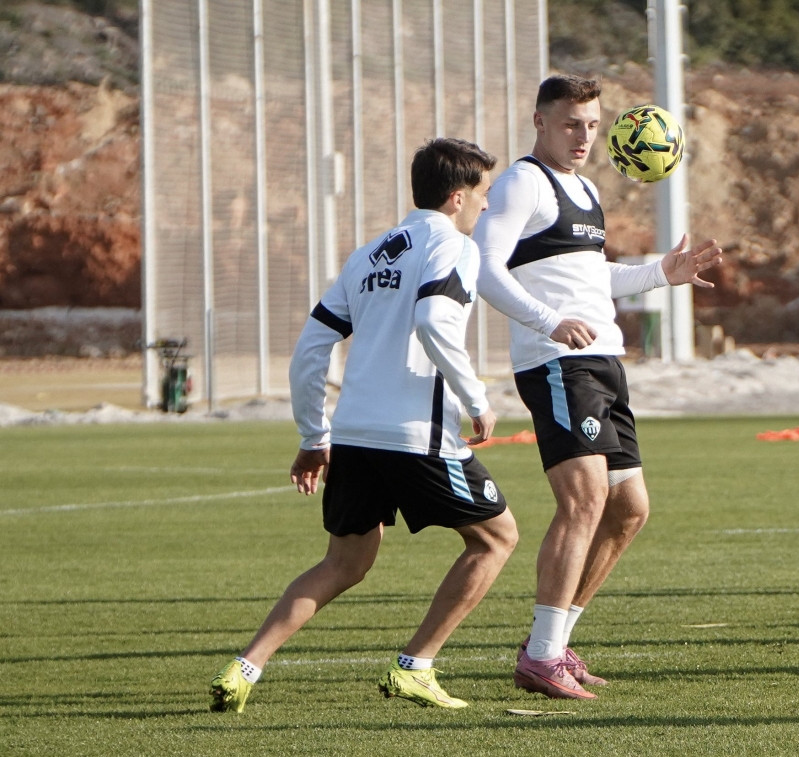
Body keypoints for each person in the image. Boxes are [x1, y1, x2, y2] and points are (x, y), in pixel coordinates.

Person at [209, 138, 517, 713]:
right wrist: (477, 398)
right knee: (497, 538)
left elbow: (309, 350)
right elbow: (433, 318)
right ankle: (416, 667)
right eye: (484, 195)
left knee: (344, 562)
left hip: (352, 434)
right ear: (456, 198)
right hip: (415, 435)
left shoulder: (371, 254)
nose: (487, 207)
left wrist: (313, 436)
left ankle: (244, 667)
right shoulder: (454, 246)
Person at [474, 74, 721, 699]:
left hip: (604, 362)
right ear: (539, 122)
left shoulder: (582, 188)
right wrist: (549, 322)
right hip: (558, 362)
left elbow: (590, 279)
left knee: (630, 510)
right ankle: (542, 658)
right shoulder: (523, 182)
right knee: (582, 501)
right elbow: (483, 267)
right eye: (569, 123)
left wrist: (661, 274)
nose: (583, 136)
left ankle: (550, 644)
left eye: (591, 124)